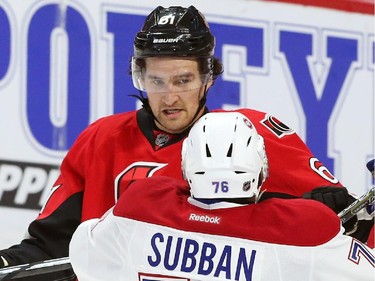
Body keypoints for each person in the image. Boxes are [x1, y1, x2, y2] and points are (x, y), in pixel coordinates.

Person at [0, 4, 372, 274]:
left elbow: (350, 229)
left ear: (207, 78)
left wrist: (350, 216)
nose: (170, 96)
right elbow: (50, 245)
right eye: (157, 81)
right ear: (140, 77)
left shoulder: (250, 137)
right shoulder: (102, 138)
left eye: (183, 80)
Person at [69, 112, 374, 281]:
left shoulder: (139, 207)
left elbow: (86, 254)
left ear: (187, 166)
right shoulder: (301, 232)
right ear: (260, 168)